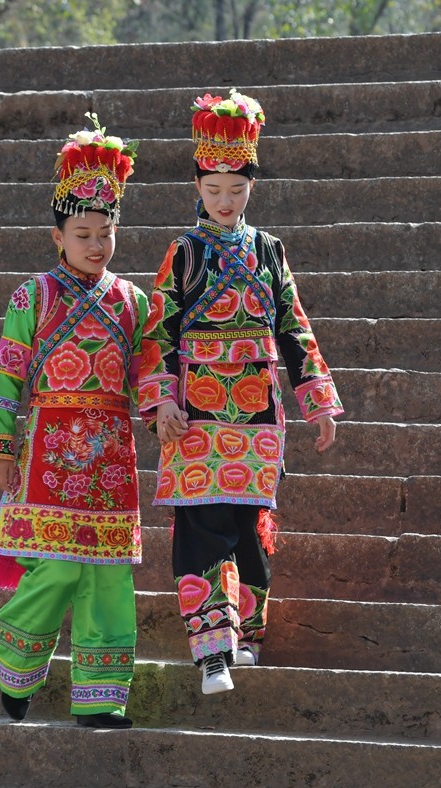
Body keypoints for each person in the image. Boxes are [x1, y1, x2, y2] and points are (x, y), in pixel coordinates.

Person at [138, 89, 345, 695]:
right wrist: (162, 400)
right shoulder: (183, 252)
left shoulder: (269, 251)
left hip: (256, 412)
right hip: (195, 414)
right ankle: (211, 651)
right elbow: (158, 330)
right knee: (202, 527)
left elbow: (293, 326)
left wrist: (318, 401)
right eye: (213, 190)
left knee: (249, 528)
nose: (225, 202)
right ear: (196, 185)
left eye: (236, 190)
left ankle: (245, 636)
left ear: (252, 184)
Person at [0, 113, 147, 728]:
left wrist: (164, 412)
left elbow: (149, 371)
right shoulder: (32, 298)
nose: (95, 245)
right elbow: (7, 375)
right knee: (59, 567)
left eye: (105, 232)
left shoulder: (134, 300)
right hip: (48, 447)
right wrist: (1, 448)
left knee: (108, 576)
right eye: (82, 233)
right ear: (58, 237)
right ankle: (14, 662)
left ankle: (103, 699)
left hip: (112, 455)